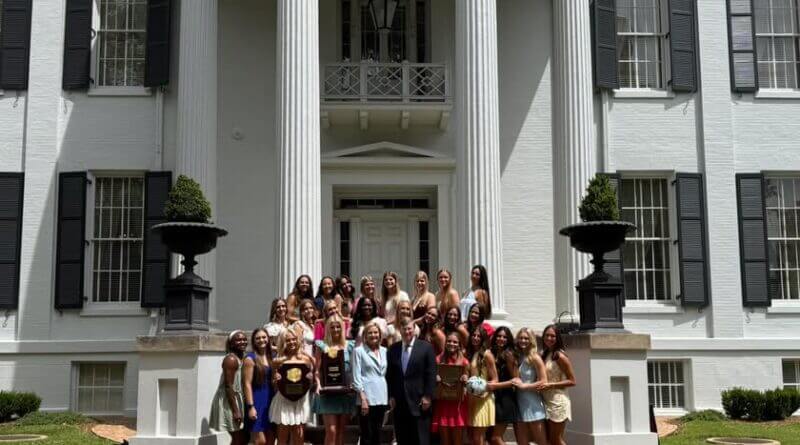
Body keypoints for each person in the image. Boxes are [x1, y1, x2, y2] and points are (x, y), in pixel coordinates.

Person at [387, 316, 437, 445]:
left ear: (414, 329)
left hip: (420, 402)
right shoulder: (393, 349)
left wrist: (428, 396)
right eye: (404, 329)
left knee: (421, 440)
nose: (407, 332)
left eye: (409, 329)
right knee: (403, 439)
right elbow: (390, 375)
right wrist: (391, 395)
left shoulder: (426, 347)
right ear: (400, 331)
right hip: (400, 403)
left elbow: (431, 374)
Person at [314, 315, 355, 445]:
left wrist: (353, 384)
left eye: (338, 326)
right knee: (331, 431)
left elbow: (354, 368)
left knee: (341, 432)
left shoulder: (350, 345)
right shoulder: (322, 346)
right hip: (327, 393)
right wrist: (318, 385)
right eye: (332, 327)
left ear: (342, 328)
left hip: (345, 393)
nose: (335, 329)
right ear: (327, 329)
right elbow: (317, 370)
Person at [270, 329, 314, 445]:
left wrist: (310, 378)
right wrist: (276, 378)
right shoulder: (277, 361)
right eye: (288, 340)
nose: (292, 342)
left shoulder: (305, 359)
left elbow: (309, 382)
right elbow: (274, 384)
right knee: (282, 438)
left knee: (299, 437)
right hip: (284, 400)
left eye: (294, 339)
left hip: (301, 400)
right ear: (284, 342)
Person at [352, 322, 389, 445]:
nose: (373, 335)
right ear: (365, 336)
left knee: (378, 433)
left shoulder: (384, 351)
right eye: (370, 333)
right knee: (367, 434)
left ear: (380, 335)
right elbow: (356, 376)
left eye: (376, 332)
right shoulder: (359, 351)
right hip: (366, 398)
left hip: (381, 397)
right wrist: (363, 399)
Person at [210, 330, 248, 445]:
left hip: (237, 399)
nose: (242, 342)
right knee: (238, 438)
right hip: (230, 402)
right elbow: (228, 386)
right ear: (231, 344)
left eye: (244, 339)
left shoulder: (242, 358)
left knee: (242, 438)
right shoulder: (231, 360)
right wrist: (236, 410)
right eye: (239, 340)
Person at [512, 328, 549, 445]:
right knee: (521, 441)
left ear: (531, 340)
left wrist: (524, 386)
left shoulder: (535, 358)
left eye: (526, 338)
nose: (523, 341)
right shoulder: (517, 356)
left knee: (541, 441)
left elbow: (544, 381)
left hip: (533, 403)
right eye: (521, 338)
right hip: (518, 402)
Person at [432, 331, 470, 445]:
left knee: (457, 441)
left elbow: (469, 385)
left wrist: (465, 379)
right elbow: (430, 380)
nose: (451, 344)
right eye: (449, 341)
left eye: (455, 342)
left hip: (457, 405)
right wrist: (435, 379)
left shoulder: (464, 362)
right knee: (445, 441)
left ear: (459, 345)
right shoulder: (438, 360)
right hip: (443, 404)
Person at [541, 325, 576, 445]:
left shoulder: (560, 356)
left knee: (556, 440)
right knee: (550, 440)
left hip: (558, 402)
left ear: (557, 338)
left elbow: (572, 381)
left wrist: (551, 385)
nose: (549, 338)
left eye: (553, 336)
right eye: (547, 335)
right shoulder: (545, 354)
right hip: (546, 400)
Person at [242, 328, 274, 445]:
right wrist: (251, 406)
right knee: (260, 441)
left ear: (268, 339)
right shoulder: (250, 359)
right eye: (258, 338)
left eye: (264, 337)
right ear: (254, 341)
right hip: (257, 401)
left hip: (271, 401)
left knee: (270, 438)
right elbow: (247, 384)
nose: (261, 340)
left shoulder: (272, 357)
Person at [488, 326, 520, 445]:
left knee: (496, 438)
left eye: (504, 337)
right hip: (496, 398)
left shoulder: (509, 354)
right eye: (499, 336)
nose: (501, 339)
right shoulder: (494, 353)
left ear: (509, 339)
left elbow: (516, 380)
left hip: (506, 399)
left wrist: (496, 386)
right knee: (492, 438)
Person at [466, 327, 497, 445]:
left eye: (479, 336)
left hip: (483, 398)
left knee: (478, 438)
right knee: (472, 438)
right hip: (470, 398)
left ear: (483, 338)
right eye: (474, 335)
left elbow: (495, 379)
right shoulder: (468, 353)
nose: (475, 338)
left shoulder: (487, 354)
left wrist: (484, 392)